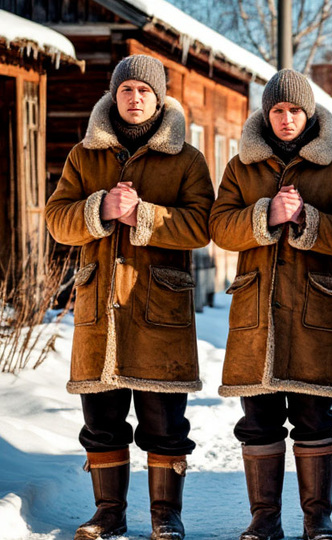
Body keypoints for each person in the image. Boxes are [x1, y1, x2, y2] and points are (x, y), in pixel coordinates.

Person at [44, 54, 214, 540]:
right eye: (126, 90)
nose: (135, 99)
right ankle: (108, 513)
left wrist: (144, 215)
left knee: (164, 424)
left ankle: (166, 515)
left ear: (159, 97)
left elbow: (203, 225)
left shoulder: (187, 158)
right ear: (113, 95)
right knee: (101, 423)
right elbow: (58, 218)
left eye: (144, 91)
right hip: (100, 309)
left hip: (159, 309)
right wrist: (99, 207)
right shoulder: (85, 154)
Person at [209, 69, 332, 540]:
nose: (286, 118)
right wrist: (265, 216)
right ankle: (265, 518)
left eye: (295, 110)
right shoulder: (241, 167)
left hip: (314, 311)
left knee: (315, 417)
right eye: (278, 110)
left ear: (309, 113)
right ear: (266, 114)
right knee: (258, 419)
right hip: (256, 310)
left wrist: (306, 219)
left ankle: (318, 519)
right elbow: (219, 226)